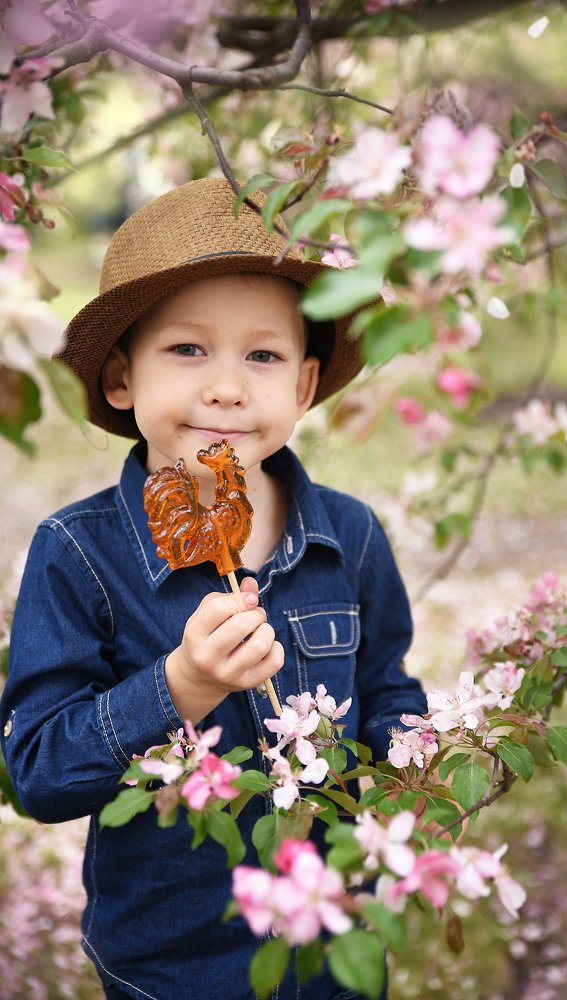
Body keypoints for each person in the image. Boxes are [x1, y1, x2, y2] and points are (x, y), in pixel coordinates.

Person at [0, 177, 427, 1000]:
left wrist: (422, 765)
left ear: (302, 388)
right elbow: (40, 774)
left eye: (261, 355)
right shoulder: (76, 553)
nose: (228, 386)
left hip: (336, 940)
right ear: (122, 378)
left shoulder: (353, 536)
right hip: (171, 964)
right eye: (188, 349)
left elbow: (385, 689)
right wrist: (179, 686)